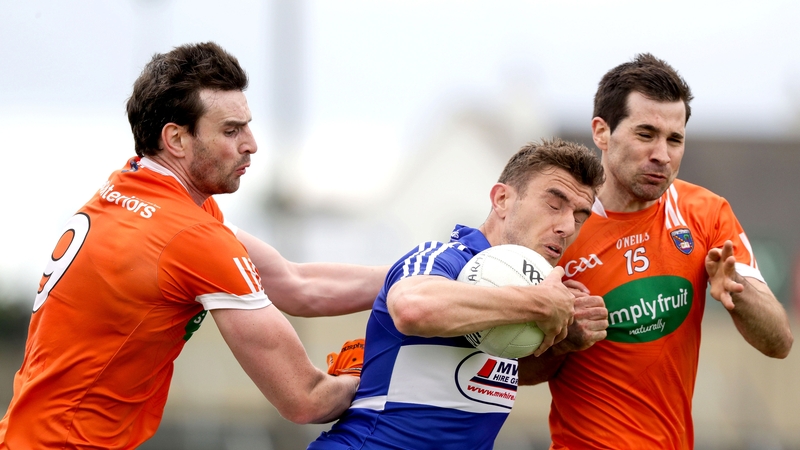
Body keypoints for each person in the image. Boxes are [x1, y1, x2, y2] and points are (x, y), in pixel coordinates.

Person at [0, 42, 386, 449]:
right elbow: (306, 399)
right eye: (231, 131)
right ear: (176, 139)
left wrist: (411, 272)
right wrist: (373, 373)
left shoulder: (133, 188)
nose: (251, 144)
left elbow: (295, 284)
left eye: (247, 126)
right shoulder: (190, 238)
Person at [518, 53, 794, 449]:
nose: (662, 155)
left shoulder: (706, 213)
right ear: (601, 132)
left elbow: (779, 342)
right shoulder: (559, 228)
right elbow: (513, 370)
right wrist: (564, 339)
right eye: (646, 134)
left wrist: (738, 291)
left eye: (674, 140)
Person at [308, 138, 606, 450]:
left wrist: (564, 340)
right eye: (554, 205)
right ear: (502, 199)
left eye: (579, 217)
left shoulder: (535, 297)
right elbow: (412, 308)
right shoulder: (443, 258)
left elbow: (496, 374)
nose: (567, 227)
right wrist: (540, 303)